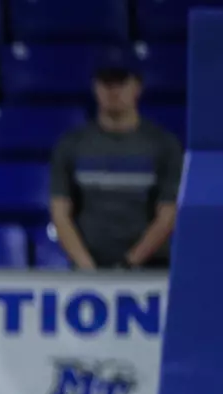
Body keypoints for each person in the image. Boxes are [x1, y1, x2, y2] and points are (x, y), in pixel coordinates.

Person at [49, 58, 181, 270]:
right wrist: (87, 268)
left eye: (121, 82)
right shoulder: (71, 145)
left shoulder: (164, 146)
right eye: (106, 83)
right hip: (88, 269)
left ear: (137, 87)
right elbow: (60, 213)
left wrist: (128, 264)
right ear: (95, 87)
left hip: (149, 270)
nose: (113, 90)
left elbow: (167, 216)